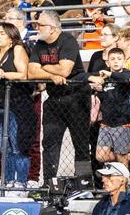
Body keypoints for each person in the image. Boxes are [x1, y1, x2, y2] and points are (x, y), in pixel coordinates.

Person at [28, 11, 92, 182]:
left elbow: (65, 70)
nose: (37, 27)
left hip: (77, 97)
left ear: (52, 28)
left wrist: (44, 67)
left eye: (40, 25)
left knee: (81, 144)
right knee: (49, 144)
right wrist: (52, 75)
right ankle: (50, 182)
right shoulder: (39, 45)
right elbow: (31, 71)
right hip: (54, 99)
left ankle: (84, 182)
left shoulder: (67, 41)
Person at [0, 23, 33, 187]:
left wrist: (2, 74)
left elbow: (23, 74)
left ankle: (20, 181)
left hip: (16, 105)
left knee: (18, 145)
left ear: (11, 37)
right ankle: (9, 180)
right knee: (4, 148)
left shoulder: (17, 49)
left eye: (2, 33)